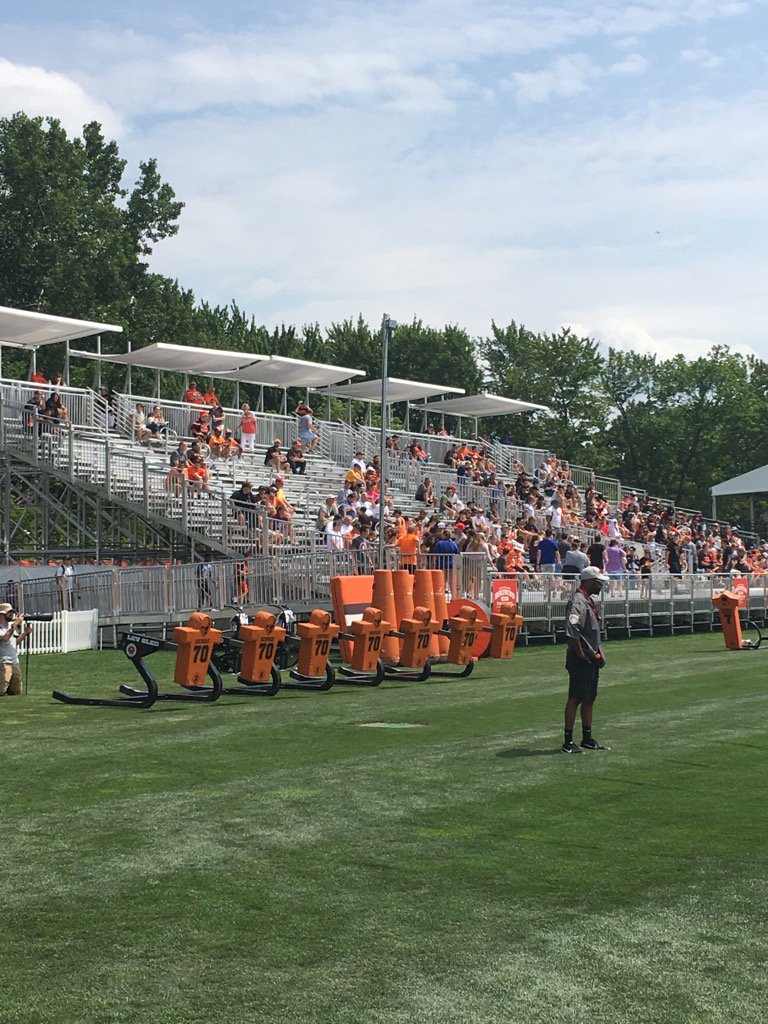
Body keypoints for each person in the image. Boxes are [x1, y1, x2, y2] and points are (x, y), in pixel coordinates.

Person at [562, 566, 609, 754]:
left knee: (589, 697)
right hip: (581, 656)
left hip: (590, 656)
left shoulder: (586, 600)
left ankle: (587, 738)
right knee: (575, 697)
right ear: (589, 581)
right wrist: (581, 653)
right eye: (598, 582)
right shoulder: (578, 601)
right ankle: (568, 741)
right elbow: (572, 630)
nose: (600, 585)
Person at [0, 603, 31, 695]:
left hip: (14, 661)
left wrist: (25, 633)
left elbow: (16, 642)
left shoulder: (12, 626)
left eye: (12, 612)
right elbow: (5, 638)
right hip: (3, 662)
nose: (11, 614)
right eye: (9, 612)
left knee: (16, 691)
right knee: (0, 691)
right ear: (1, 614)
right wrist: (15, 625)